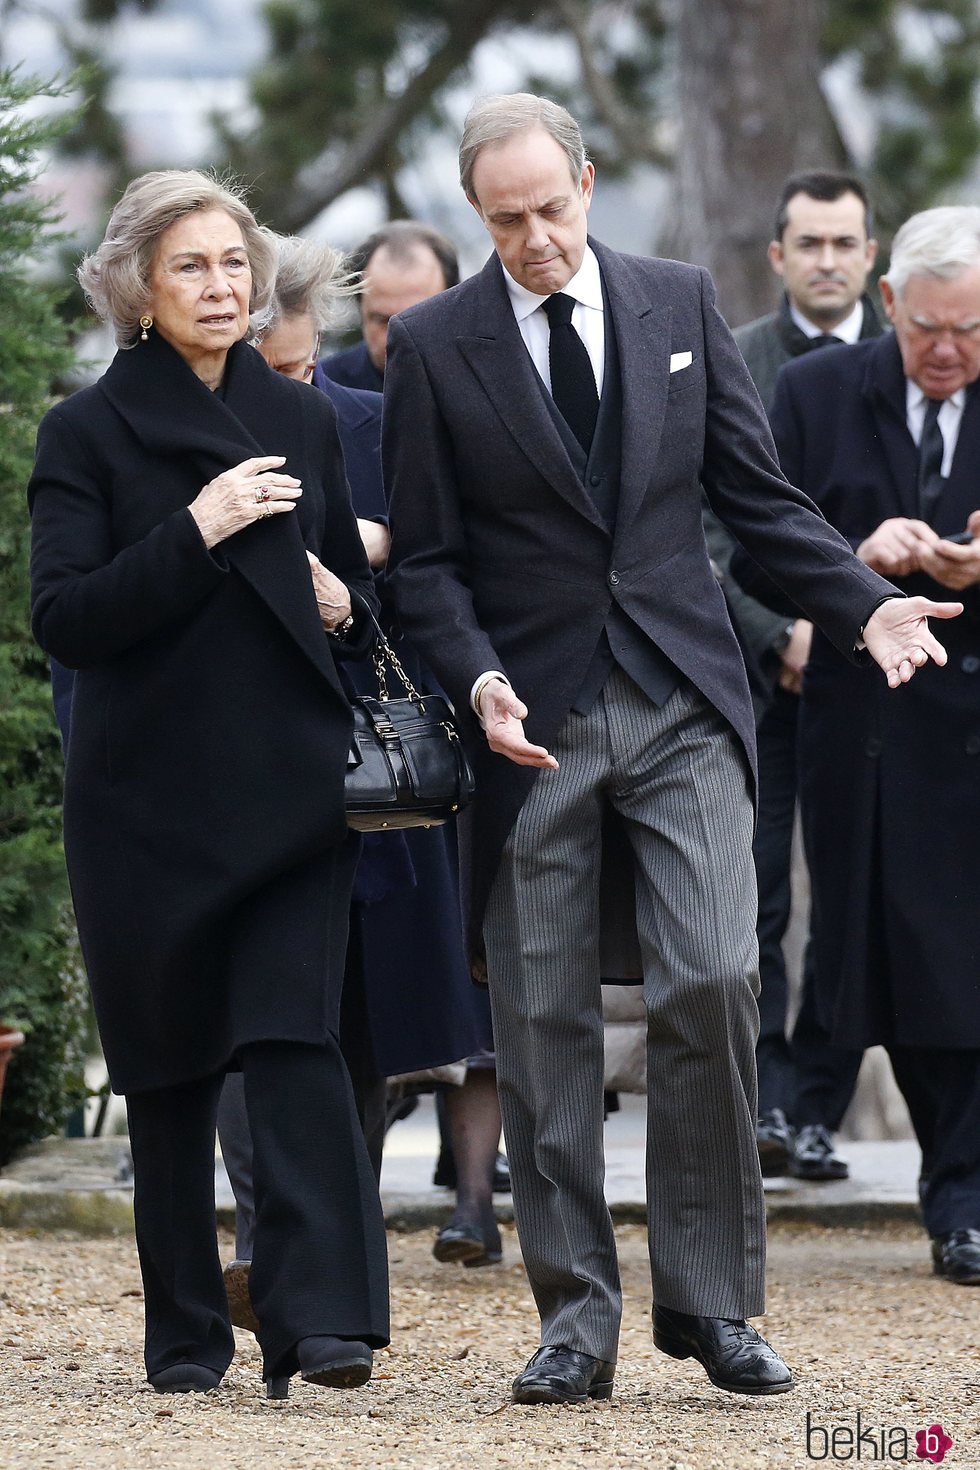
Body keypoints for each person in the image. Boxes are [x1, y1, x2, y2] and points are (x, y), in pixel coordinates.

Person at [382, 92, 960, 1406]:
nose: (532, 238)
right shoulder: (433, 346)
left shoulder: (677, 300)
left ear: (587, 184)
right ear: (480, 213)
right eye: (504, 219)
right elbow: (424, 566)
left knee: (712, 978)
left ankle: (712, 1303)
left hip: (687, 697)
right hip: (527, 725)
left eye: (550, 208)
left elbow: (758, 500)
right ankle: (575, 1319)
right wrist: (478, 683)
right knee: (541, 1023)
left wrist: (863, 604)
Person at [28, 171, 389, 1398]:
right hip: (146, 812)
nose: (221, 287)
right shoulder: (80, 434)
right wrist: (195, 528)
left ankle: (322, 1324)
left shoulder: (304, 421)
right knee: (170, 1077)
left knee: (293, 1050)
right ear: (135, 284)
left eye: (234, 265)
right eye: (191, 267)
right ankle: (184, 1336)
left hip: (292, 796)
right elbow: (67, 620)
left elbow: (350, 593)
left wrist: (347, 607)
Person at [248, 235, 505, 1271]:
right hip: (234, 768)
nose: (300, 391)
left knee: (363, 1015)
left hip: (366, 766)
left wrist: (368, 562)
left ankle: (344, 1250)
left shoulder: (373, 420)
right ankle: (282, 1251)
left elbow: (446, 572)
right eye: (276, 374)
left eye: (309, 367)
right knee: (255, 1032)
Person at [741, 206, 980, 1287]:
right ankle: (820, 1125)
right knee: (876, 963)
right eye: (926, 328)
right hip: (862, 738)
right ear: (888, 306)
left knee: (959, 968)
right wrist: (853, 560)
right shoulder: (812, 393)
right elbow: (753, 555)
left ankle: (960, 1198)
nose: (944, 351)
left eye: (968, 333)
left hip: (970, 738)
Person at [706, 171, 883, 1182]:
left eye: (841, 242)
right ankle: (765, 1101)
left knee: (856, 893)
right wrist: (780, 634)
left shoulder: (907, 364)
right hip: (760, 677)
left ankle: (815, 1100)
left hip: (883, 679)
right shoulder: (736, 361)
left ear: (870, 254)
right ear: (776, 256)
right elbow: (701, 525)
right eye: (806, 243)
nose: (824, 260)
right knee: (756, 898)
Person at [321, 220, 460, 392]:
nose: (400, 336)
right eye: (382, 320)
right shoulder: (323, 389)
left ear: (454, 305)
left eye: (418, 318)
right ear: (360, 308)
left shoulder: (492, 369)